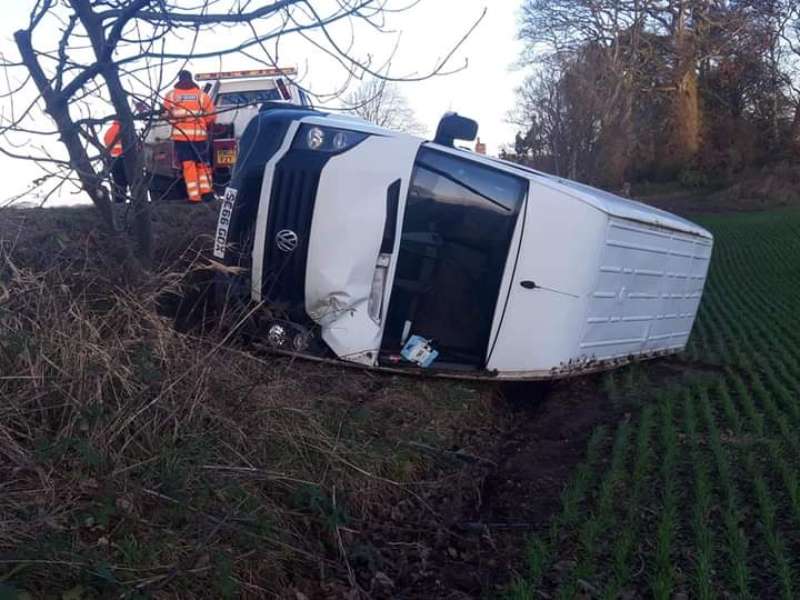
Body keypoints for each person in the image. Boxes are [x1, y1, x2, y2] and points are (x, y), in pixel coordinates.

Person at [163, 70, 217, 203]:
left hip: (182, 138)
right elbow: (211, 116)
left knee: (189, 166)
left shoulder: (171, 95)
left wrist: (177, 122)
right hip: (200, 138)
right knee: (203, 165)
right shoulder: (201, 95)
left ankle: (194, 197)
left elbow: (165, 115)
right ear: (191, 79)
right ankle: (207, 193)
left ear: (179, 79)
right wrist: (203, 124)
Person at [103, 119, 128, 204]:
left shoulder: (108, 131)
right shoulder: (125, 129)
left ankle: (119, 203)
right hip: (124, 159)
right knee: (130, 182)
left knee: (118, 183)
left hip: (113, 160)